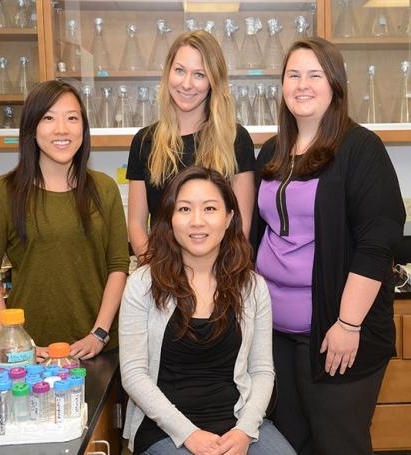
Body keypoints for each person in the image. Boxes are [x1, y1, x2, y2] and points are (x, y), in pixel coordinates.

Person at [251, 37, 406, 455]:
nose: (302, 84)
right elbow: (257, 233)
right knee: (290, 445)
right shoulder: (273, 150)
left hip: (335, 335)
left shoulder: (360, 148)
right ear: (281, 86)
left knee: (339, 445)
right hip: (276, 338)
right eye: (293, 75)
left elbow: (378, 240)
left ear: (335, 84)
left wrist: (348, 323)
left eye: (314, 75)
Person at [120, 166, 296, 455]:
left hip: (237, 422)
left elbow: (263, 371)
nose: (197, 221)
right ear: (170, 219)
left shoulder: (252, 287)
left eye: (210, 208)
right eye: (185, 209)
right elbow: (134, 375)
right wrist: (189, 434)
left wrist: (244, 431)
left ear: (229, 218)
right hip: (166, 427)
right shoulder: (143, 284)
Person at [0, 80, 130, 360]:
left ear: (83, 127)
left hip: (96, 349)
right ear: (32, 129)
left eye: (72, 118)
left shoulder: (104, 189)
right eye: (48, 118)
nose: (62, 129)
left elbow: (118, 266)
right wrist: (16, 342)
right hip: (32, 352)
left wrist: (99, 334)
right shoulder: (6, 191)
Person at [127, 30, 255, 257]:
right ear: (168, 74)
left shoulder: (236, 139)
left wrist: (213, 276)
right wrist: (157, 272)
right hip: (161, 276)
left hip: (219, 276)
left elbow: (241, 228)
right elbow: (136, 225)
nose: (186, 84)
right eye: (179, 71)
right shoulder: (144, 142)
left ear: (213, 82)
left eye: (199, 74)